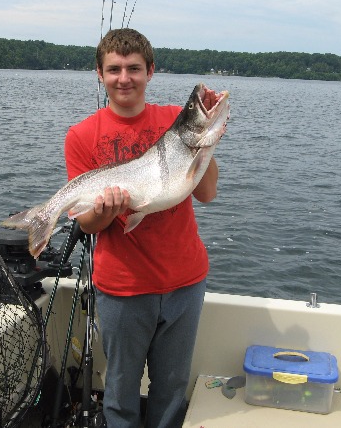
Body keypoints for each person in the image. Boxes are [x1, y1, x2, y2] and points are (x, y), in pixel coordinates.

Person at [64, 28, 219, 428]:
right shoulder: (82, 136)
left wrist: (206, 144)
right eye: (114, 69)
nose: (124, 78)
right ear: (100, 74)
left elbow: (206, 193)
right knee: (120, 388)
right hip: (123, 287)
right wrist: (106, 212)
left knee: (171, 387)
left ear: (151, 71)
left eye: (134, 68)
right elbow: (87, 222)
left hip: (184, 280)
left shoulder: (174, 120)